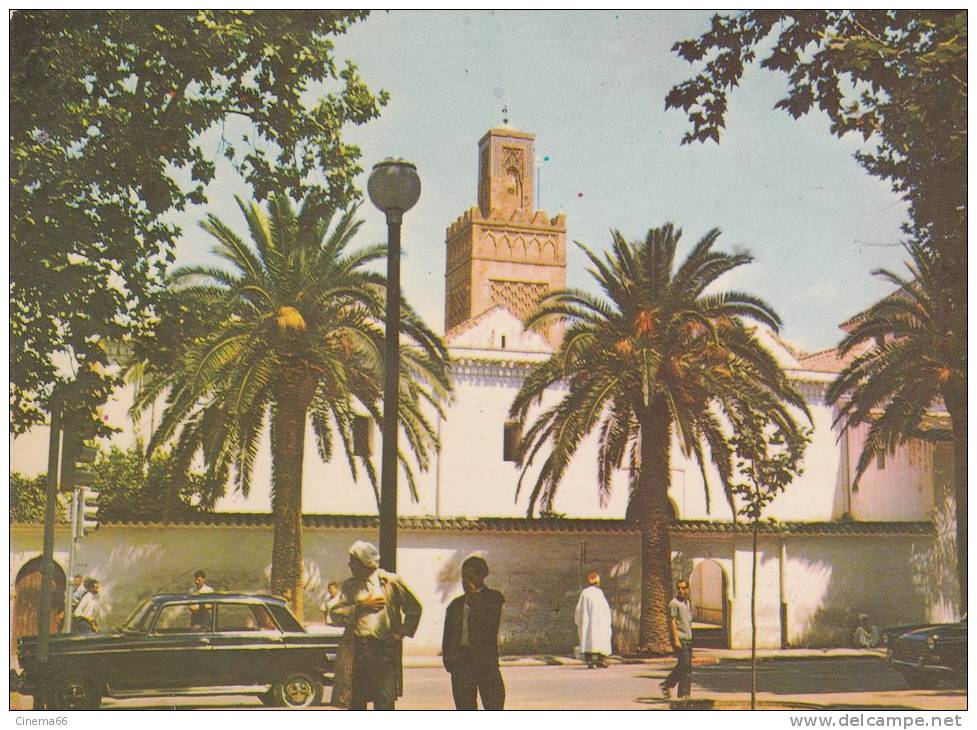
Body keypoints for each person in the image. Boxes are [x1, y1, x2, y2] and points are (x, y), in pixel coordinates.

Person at [330, 541, 422, 710]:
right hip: (357, 651)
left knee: (384, 701)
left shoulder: (390, 582)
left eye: (353, 561)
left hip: (382, 650)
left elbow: (414, 608)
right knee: (356, 701)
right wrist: (361, 606)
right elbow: (335, 613)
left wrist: (400, 633)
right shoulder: (350, 586)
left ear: (364, 562)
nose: (349, 564)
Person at [442, 556, 506, 710]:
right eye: (463, 577)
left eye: (470, 577)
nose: (465, 582)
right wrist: (450, 662)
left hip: (485, 663)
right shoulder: (455, 605)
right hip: (462, 664)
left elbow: (490, 624)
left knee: (494, 705)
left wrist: (473, 598)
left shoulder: (494, 598)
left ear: (481, 577)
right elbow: (448, 635)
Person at [661, 578, 693, 699]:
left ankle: (684, 694)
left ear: (688, 589)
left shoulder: (687, 603)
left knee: (687, 667)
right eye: (678, 588)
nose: (681, 590)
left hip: (689, 639)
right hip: (681, 639)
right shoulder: (674, 603)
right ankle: (669, 684)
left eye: (683, 588)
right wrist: (675, 639)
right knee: (684, 665)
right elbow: (672, 622)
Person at [575, 571, 612, 669]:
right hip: (600, 623)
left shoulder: (585, 593)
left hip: (588, 623)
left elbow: (579, 609)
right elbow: (605, 609)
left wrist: (578, 620)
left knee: (588, 639)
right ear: (598, 582)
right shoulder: (599, 593)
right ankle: (601, 660)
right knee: (601, 639)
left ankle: (590, 661)